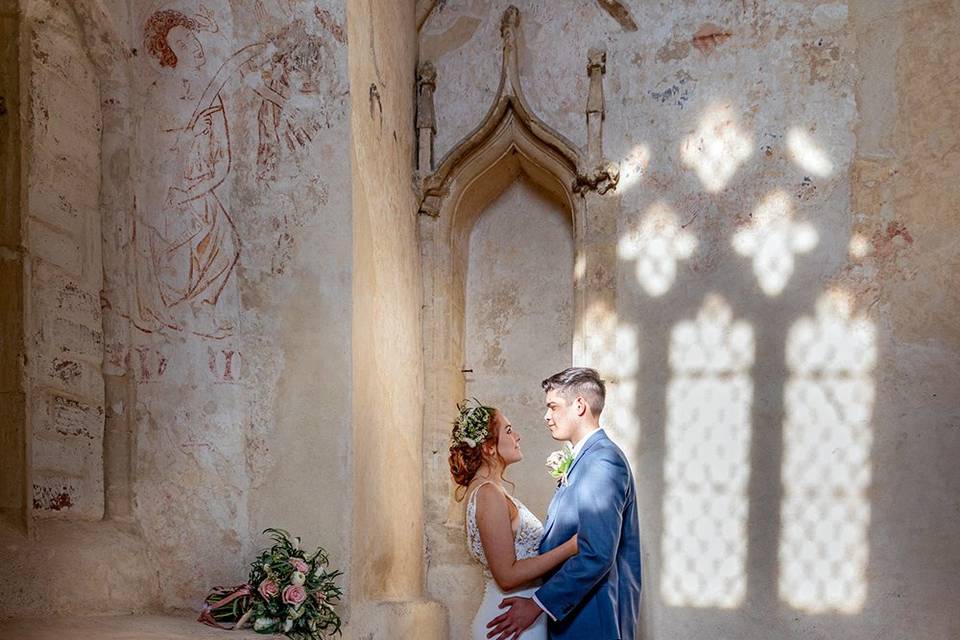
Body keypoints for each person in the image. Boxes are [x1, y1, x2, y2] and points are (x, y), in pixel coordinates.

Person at [486, 368, 642, 640]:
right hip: (574, 620)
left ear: (579, 405)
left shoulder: (602, 462)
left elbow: (596, 551)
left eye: (553, 407)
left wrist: (537, 604)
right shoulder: (587, 460)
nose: (547, 416)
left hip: (593, 622)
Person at [449, 400, 579, 640]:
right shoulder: (488, 494)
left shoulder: (492, 491)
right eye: (508, 431)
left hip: (516, 619)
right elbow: (507, 576)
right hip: (508, 622)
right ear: (488, 447)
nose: (517, 436)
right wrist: (570, 547)